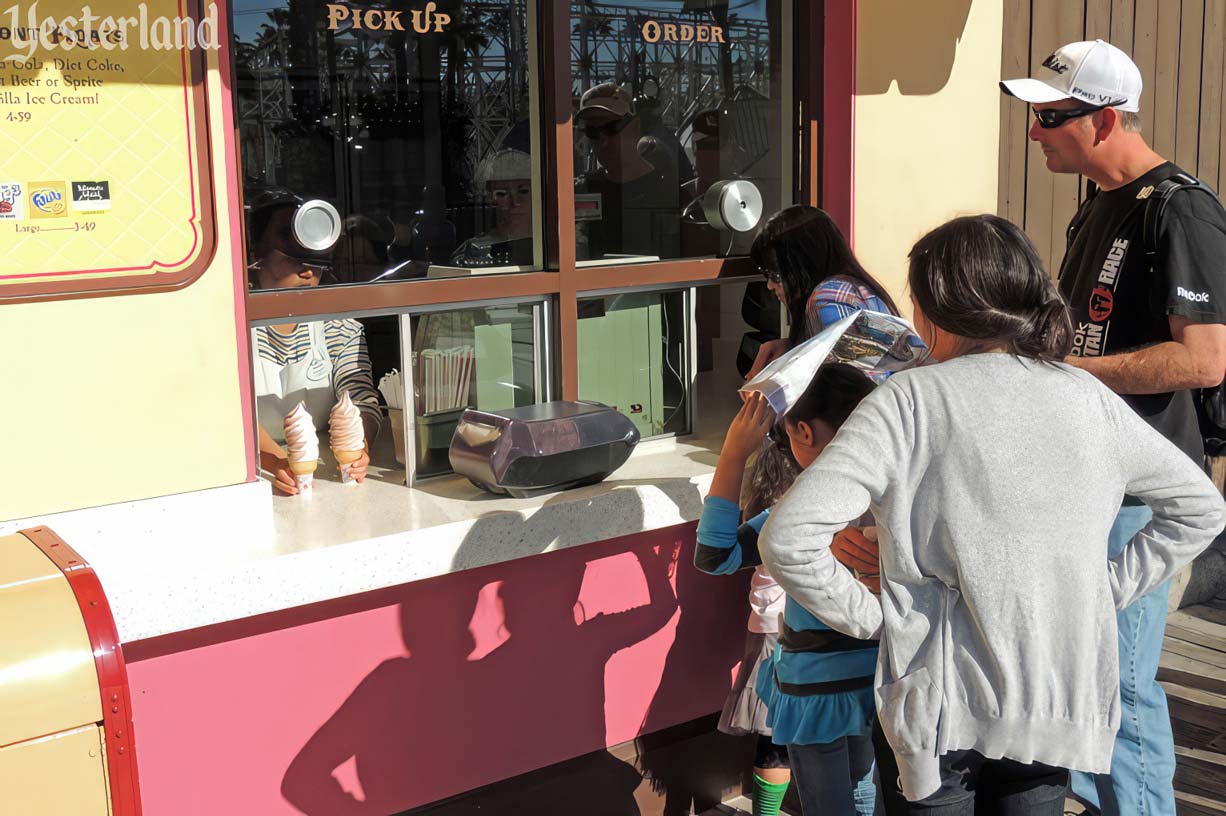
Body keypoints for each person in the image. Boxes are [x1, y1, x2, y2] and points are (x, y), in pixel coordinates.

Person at [758, 214, 1226, 815]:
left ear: (935, 308)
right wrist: (1102, 590)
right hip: (1053, 691)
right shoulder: (1086, 396)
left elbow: (789, 538)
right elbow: (1199, 508)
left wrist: (877, 620)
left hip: (938, 701)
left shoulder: (910, 401)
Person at [1001, 39, 1226, 815]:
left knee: (1120, 688)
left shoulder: (1183, 209)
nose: (1035, 133)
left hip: (1138, 490)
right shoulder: (1096, 206)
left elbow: (1203, 361)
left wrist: (1063, 376)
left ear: (1101, 119)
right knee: (1087, 679)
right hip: (1083, 480)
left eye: (1050, 116)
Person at [694, 367, 884, 816]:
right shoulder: (892, 496)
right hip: (877, 679)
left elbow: (716, 556)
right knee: (865, 791)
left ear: (803, 430)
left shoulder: (796, 513)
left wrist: (733, 456)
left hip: (813, 687)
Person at [247, 191, 383, 494]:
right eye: (288, 241)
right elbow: (227, 407)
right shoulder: (232, 331)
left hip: (323, 478)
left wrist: (359, 448)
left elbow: (361, 397)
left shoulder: (340, 329)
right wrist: (274, 459)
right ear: (256, 251)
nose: (308, 270)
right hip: (250, 478)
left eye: (313, 252)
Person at [745, 205, 900, 380]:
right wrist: (794, 349)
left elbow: (858, 387)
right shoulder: (852, 289)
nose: (770, 285)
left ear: (804, 267)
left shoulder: (829, 299)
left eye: (776, 275)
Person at [575, 81, 682, 261]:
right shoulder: (583, 191)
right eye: (592, 131)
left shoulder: (666, 191)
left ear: (634, 126)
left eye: (611, 127)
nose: (603, 141)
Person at [450, 147, 534, 269]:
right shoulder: (471, 250)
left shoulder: (553, 246)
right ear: (490, 200)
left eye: (523, 191)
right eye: (501, 193)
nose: (514, 202)